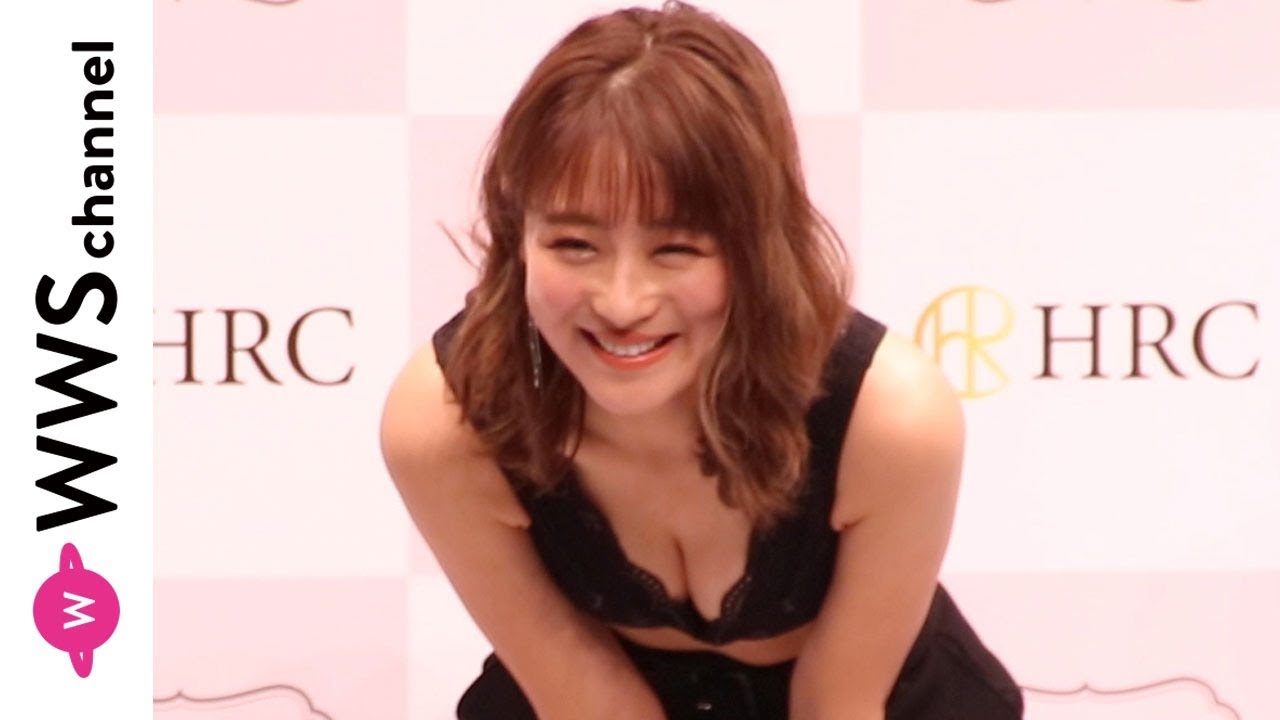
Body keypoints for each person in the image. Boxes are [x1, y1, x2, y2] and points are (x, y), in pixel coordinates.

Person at [380, 2, 1023, 718]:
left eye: (676, 249)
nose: (622, 301)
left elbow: (839, 702)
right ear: (517, 237)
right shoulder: (447, 419)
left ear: (758, 247)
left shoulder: (891, 417)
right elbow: (585, 698)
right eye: (574, 246)